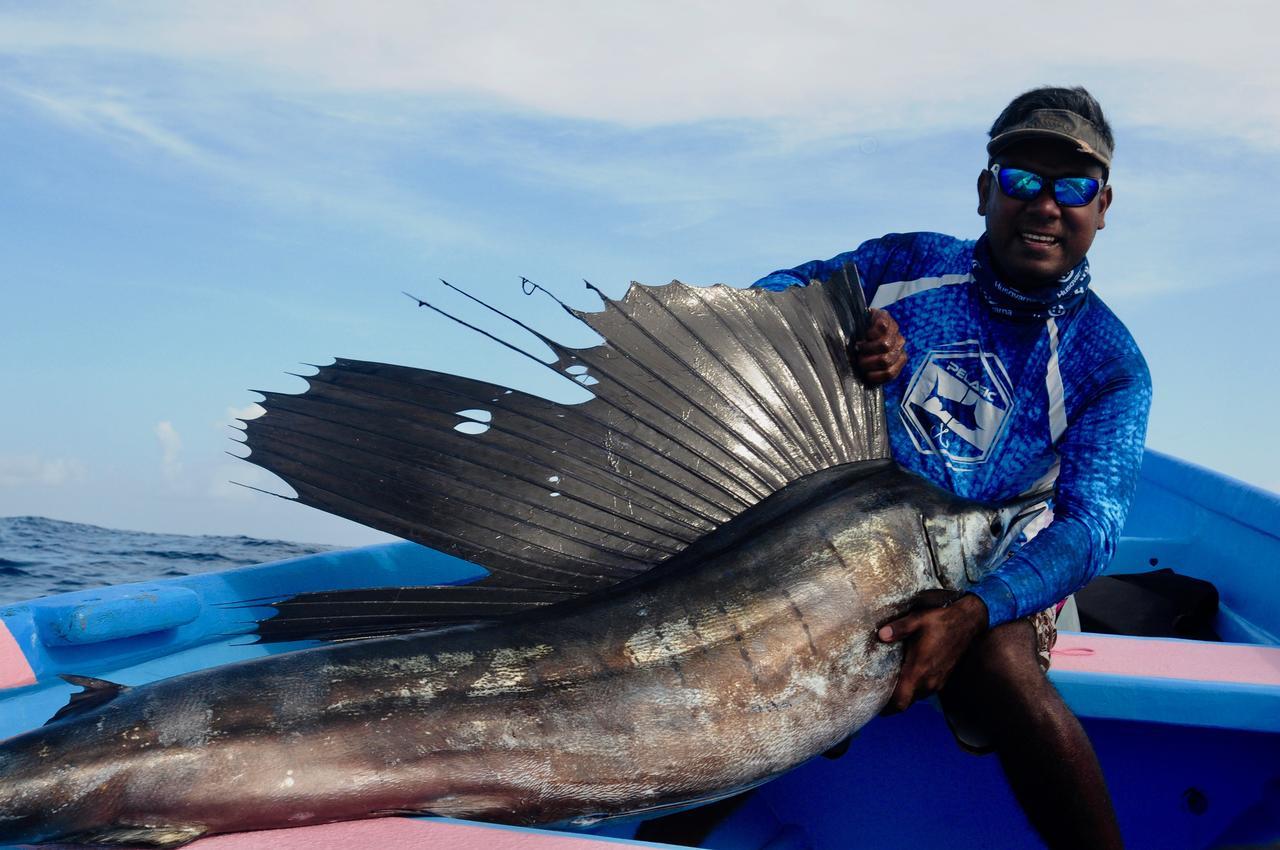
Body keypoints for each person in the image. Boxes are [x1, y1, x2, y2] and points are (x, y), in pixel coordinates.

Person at [751, 86, 1150, 850]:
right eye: (1019, 179)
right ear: (983, 191)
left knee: (998, 658)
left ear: (1102, 207)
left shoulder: (1109, 363)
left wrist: (975, 610)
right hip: (853, 545)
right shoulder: (906, 265)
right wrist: (839, 328)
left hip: (999, 561)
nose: (1043, 204)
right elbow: (760, 302)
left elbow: (1090, 528)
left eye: (1071, 187)